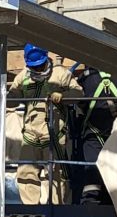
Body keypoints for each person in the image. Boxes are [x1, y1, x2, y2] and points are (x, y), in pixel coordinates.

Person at [10, 44, 77, 204]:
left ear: (46, 59)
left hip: (54, 135)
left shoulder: (61, 74)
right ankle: (31, 208)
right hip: (31, 135)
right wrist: (9, 96)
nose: (38, 69)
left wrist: (63, 95)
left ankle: (57, 208)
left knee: (57, 174)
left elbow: (79, 93)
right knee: (26, 173)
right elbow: (11, 99)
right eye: (34, 67)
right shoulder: (23, 77)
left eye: (40, 65)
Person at [69, 64, 117, 206]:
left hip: (94, 133)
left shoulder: (86, 78)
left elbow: (79, 103)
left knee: (92, 168)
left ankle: (90, 202)